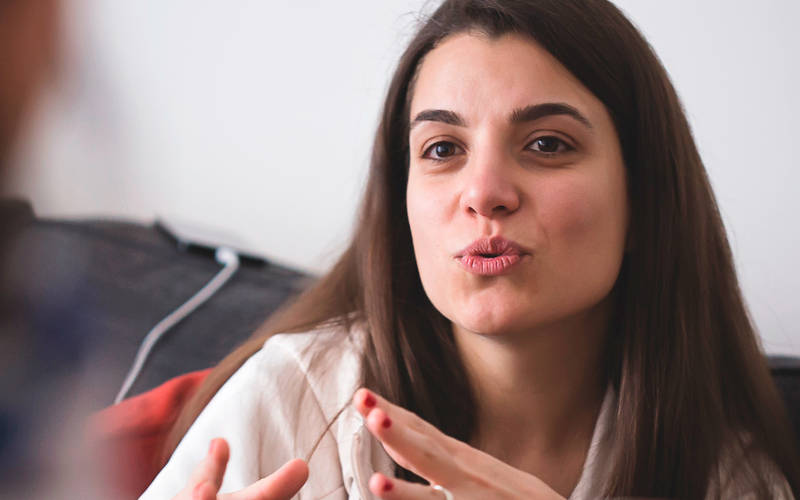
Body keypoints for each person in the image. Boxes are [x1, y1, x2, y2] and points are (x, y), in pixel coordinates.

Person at [140, 0, 800, 498]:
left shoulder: (727, 474)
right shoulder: (293, 398)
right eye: (442, 150)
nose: (484, 193)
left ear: (646, 199)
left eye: (547, 144)